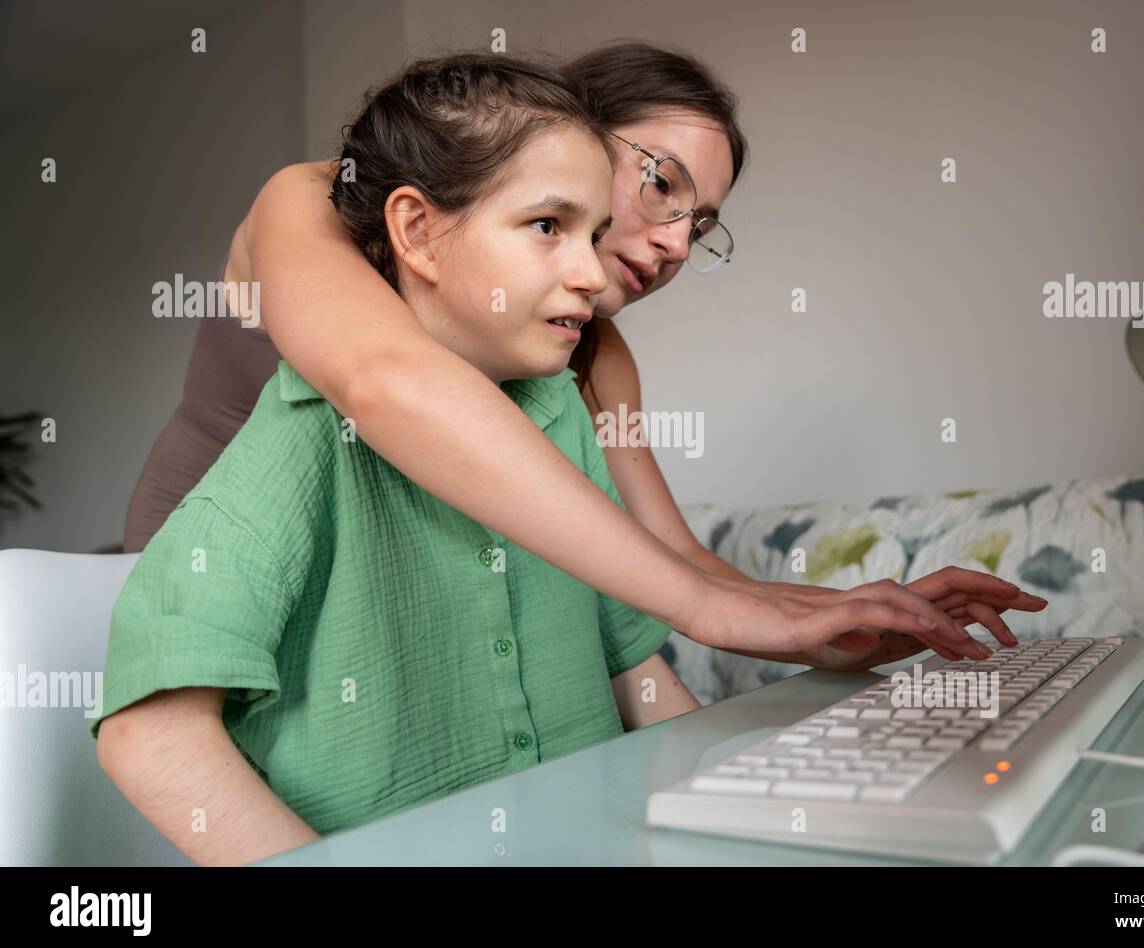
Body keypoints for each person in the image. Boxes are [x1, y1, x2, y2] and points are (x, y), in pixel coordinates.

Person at [123, 40, 1046, 672]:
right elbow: (385, 381)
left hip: (376, 601)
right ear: (567, 131)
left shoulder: (596, 354)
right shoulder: (316, 201)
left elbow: (670, 553)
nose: (678, 243)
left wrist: (833, 621)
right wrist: (715, 611)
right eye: (662, 186)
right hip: (203, 583)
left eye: (704, 224)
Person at [94, 54, 712, 866]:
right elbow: (155, 734)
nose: (592, 271)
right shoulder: (310, 420)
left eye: (594, 234)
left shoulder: (564, 403)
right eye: (548, 227)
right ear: (416, 229)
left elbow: (637, 660)